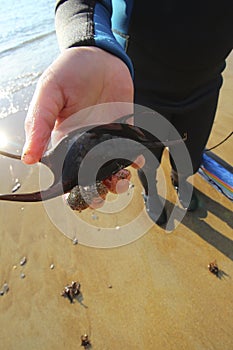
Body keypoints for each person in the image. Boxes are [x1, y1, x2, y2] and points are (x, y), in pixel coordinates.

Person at [22, 1, 233, 226]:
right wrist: (87, 40)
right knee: (145, 161)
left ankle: (181, 182)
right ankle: (151, 194)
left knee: (190, 158)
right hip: (135, 89)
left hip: (206, 87)